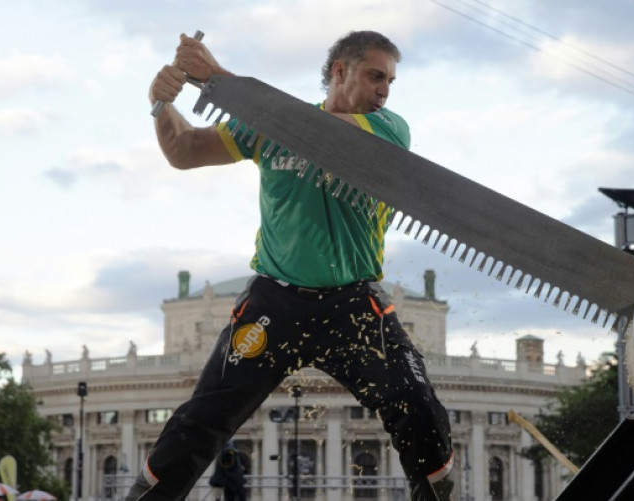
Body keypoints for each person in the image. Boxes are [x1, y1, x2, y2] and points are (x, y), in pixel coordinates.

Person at [124, 30, 455, 501]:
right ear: (340, 71)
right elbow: (184, 150)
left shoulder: (389, 130)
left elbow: (323, 136)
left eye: (389, 81)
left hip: (352, 306)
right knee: (199, 422)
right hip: (273, 304)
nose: (384, 90)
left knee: (418, 407)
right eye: (375, 76)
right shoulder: (268, 124)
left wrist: (219, 80)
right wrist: (162, 105)